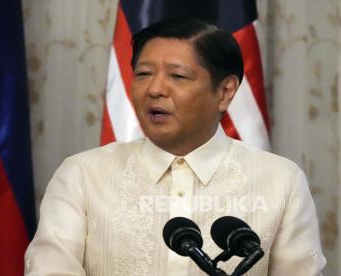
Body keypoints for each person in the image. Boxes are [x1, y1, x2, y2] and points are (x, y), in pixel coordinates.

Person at [25, 18, 326, 275]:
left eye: (178, 76)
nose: (155, 89)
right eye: (143, 74)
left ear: (225, 92)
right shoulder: (82, 175)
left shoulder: (280, 181)